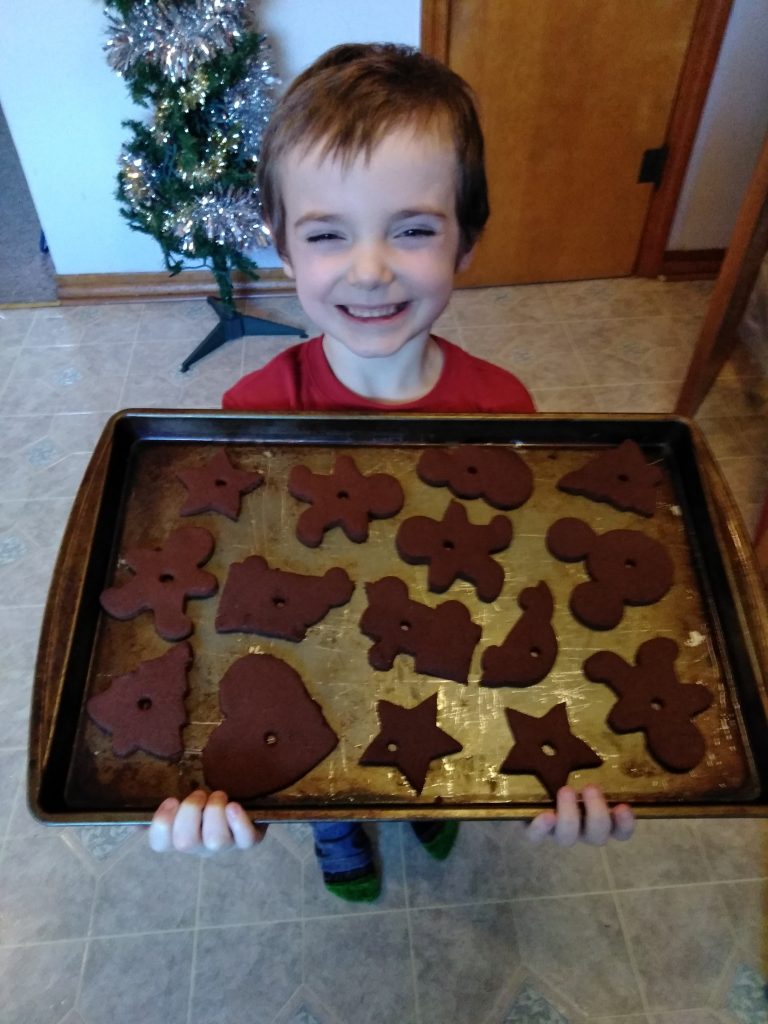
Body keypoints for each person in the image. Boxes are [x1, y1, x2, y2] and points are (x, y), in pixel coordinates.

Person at [149, 43, 635, 898]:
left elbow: (526, 587)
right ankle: (335, 832)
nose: (370, 270)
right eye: (328, 234)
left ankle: (434, 797)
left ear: (467, 239)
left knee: (433, 725)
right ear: (282, 247)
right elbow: (231, 628)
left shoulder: (508, 411)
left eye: (412, 229)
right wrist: (221, 796)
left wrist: (557, 767)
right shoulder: (255, 415)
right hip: (317, 668)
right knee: (312, 733)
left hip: (439, 651)